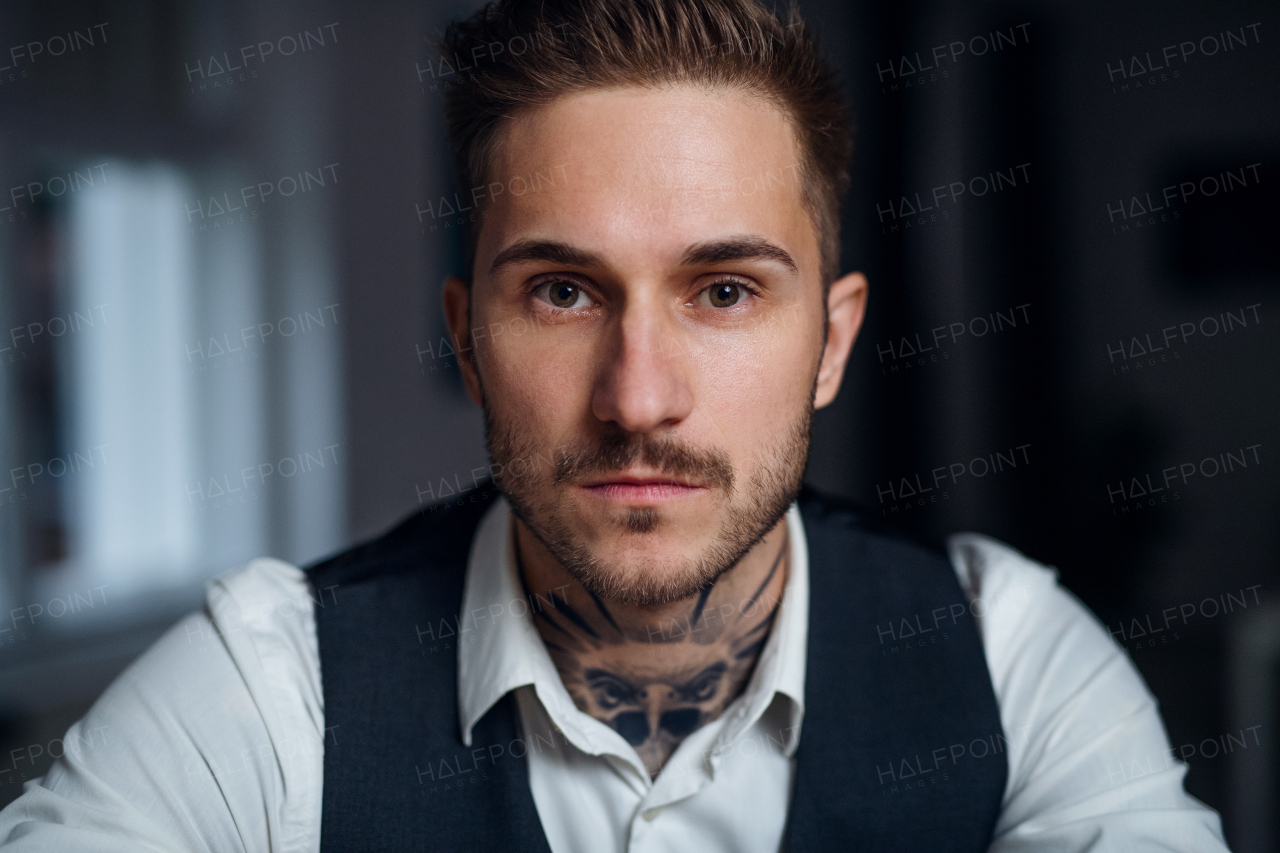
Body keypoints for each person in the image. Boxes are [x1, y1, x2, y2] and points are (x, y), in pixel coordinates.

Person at [0, 0, 1231, 850]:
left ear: (833, 342)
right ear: (467, 339)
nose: (637, 398)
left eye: (724, 292)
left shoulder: (1010, 660)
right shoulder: (272, 690)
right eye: (562, 291)